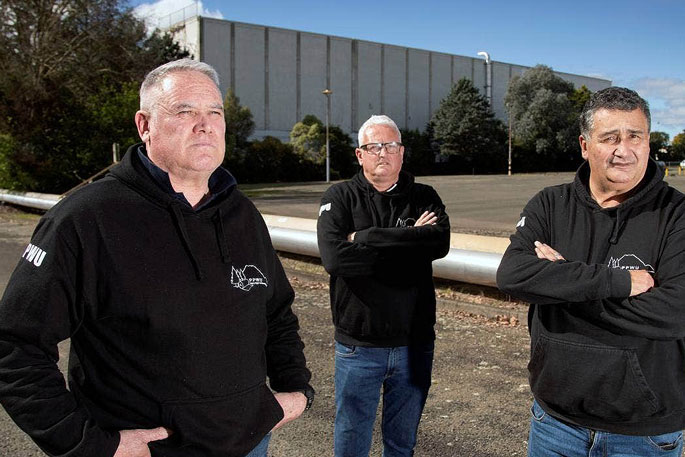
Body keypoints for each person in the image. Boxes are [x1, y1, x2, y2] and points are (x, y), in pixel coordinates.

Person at [0, 58, 314, 457]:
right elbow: (15, 346)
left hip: (251, 444)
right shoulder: (85, 218)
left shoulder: (242, 215)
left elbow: (276, 311)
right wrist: (89, 444)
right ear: (144, 125)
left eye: (215, 112)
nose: (205, 125)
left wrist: (296, 389)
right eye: (185, 112)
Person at [497, 87, 685, 456]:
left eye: (635, 136)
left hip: (644, 433)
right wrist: (616, 282)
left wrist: (560, 284)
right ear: (585, 146)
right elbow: (512, 274)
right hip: (555, 423)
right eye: (610, 138)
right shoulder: (550, 205)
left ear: (649, 142)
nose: (624, 150)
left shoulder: (677, 214)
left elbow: (676, 311)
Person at [317, 115, 450, 457]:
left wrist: (363, 238)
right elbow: (336, 259)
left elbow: (439, 244)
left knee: (402, 442)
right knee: (351, 438)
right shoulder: (339, 197)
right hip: (359, 346)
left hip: (414, 344)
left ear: (402, 152)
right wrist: (410, 241)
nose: (382, 153)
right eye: (373, 146)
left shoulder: (424, 196)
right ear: (359, 154)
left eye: (390, 146)